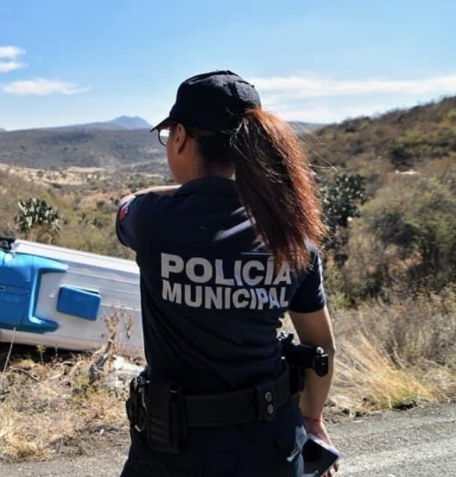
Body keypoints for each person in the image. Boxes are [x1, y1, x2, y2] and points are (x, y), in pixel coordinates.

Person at [117, 71, 337, 477]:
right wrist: (312, 421)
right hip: (271, 446)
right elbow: (320, 346)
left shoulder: (152, 221)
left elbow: (128, 203)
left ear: (180, 136)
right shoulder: (292, 237)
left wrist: (185, 193)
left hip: (173, 453)